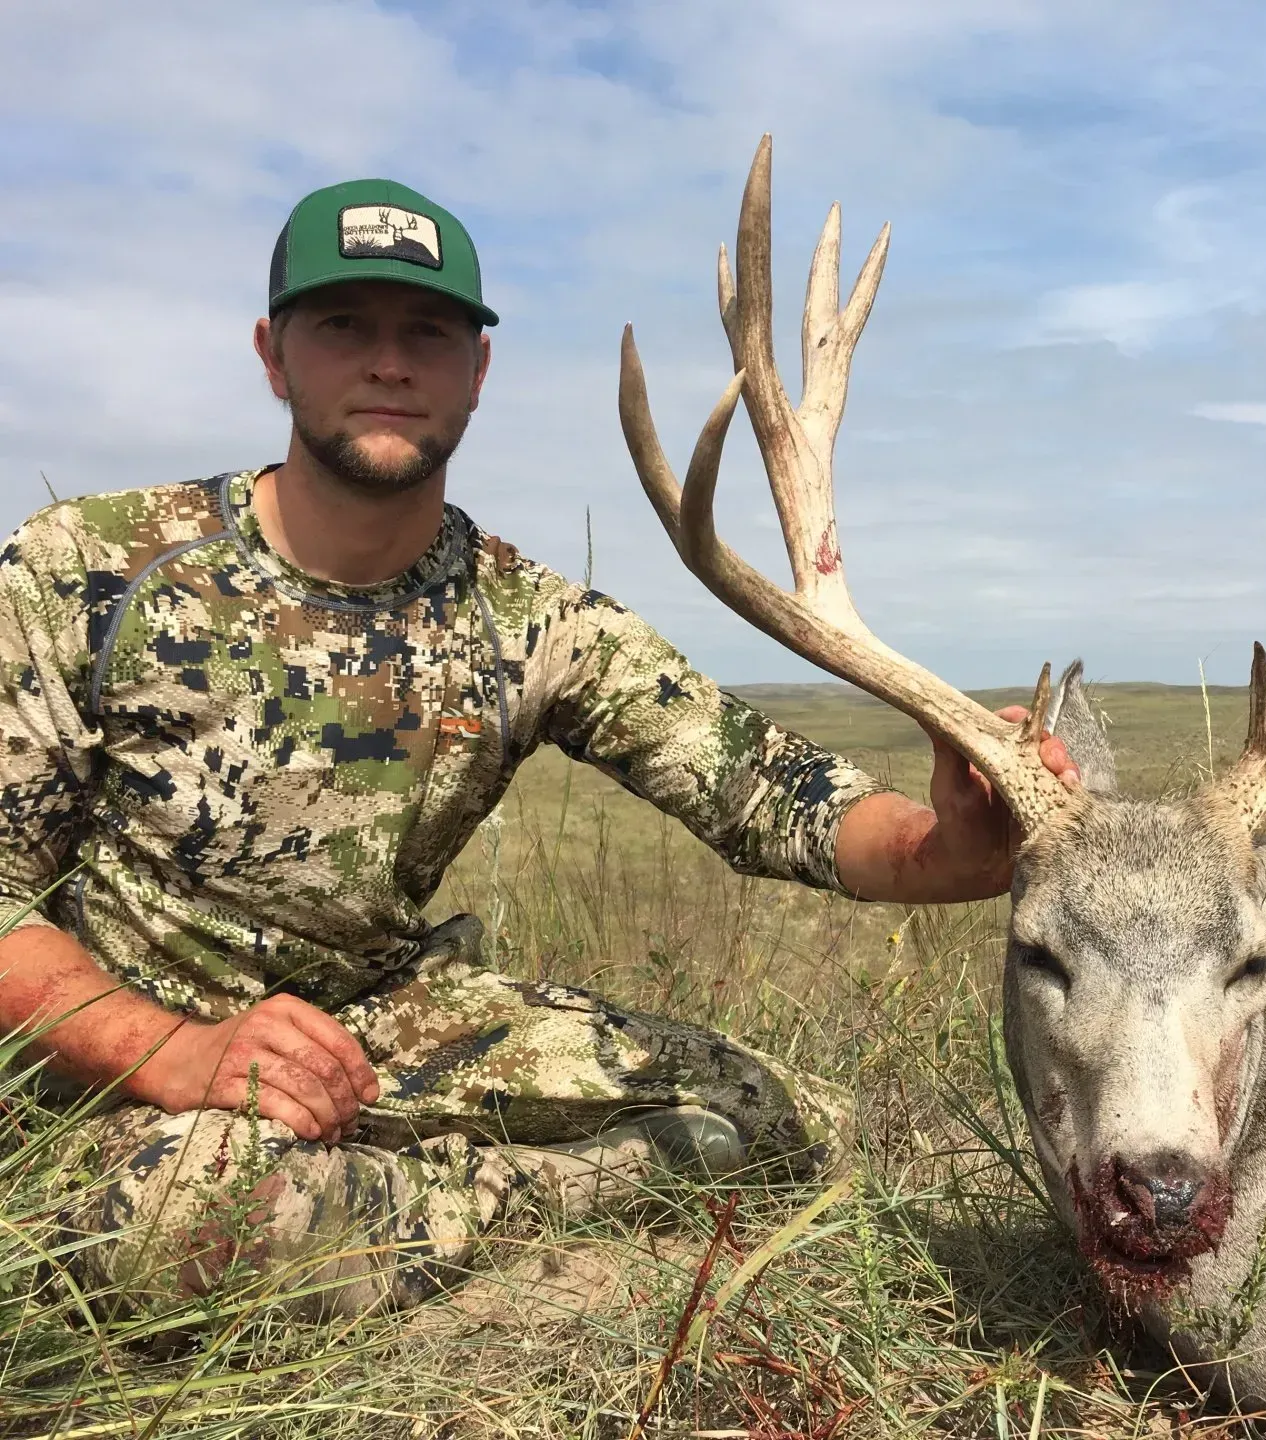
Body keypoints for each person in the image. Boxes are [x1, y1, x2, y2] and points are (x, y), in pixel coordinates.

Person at [0, 179, 1075, 1317]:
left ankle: (423, 1202)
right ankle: (527, 1200)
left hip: (379, 1035)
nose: (389, 363)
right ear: (275, 356)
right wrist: (177, 1052)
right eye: (343, 327)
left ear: (477, 371)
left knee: (784, 1116)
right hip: (107, 1065)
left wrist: (953, 840)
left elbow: (768, 790)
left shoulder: (529, 619)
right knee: (186, 1224)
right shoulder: (91, 567)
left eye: (428, 333)